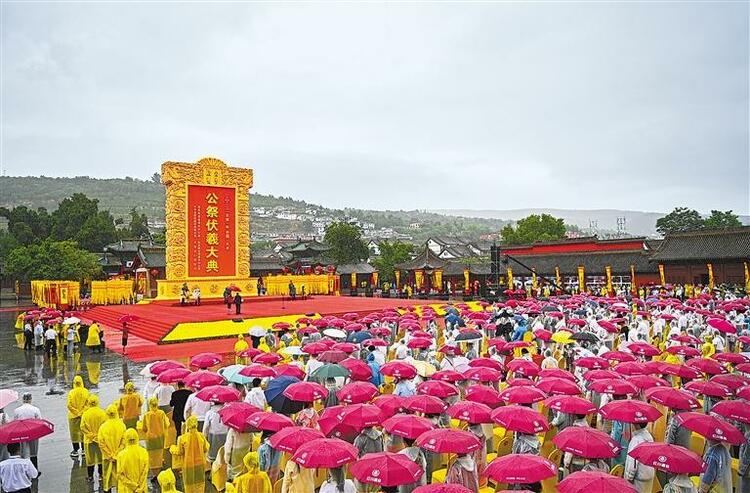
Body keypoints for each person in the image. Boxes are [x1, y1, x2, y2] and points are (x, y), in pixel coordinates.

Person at [175, 415, 209, 493]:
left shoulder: (182, 438)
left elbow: (180, 452)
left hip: (188, 465)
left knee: (189, 484)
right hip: (200, 463)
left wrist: (173, 449)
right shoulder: (201, 436)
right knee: (200, 483)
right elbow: (206, 449)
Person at [139, 397, 170, 481]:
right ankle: (159, 470)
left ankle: (154, 474)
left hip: (150, 438)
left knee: (152, 456)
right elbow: (166, 424)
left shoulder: (147, 415)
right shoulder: (161, 413)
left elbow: (144, 428)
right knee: (159, 453)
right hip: (160, 437)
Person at [98, 405, 126, 493]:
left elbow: (101, 443)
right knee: (120, 476)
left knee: (107, 476)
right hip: (119, 457)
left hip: (107, 457)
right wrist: (116, 454)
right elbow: (124, 442)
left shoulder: (103, 427)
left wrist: (110, 455)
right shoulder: (122, 425)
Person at [80, 394, 107, 483]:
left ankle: (90, 477)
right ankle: (101, 476)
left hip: (89, 441)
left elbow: (82, 427)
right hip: (100, 440)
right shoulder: (103, 413)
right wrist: (97, 436)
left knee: (90, 459)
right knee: (100, 458)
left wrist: (91, 436)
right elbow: (105, 426)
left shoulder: (85, 414)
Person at [624, 422, 655, 493]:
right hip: (649, 475)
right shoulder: (649, 436)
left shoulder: (636, 440)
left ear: (636, 425)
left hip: (638, 478)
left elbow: (633, 461)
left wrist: (629, 477)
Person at [115, 429, 149, 493]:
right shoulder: (144, 452)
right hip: (141, 489)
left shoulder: (121, 455)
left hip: (126, 489)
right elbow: (145, 472)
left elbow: (120, 474)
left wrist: (133, 486)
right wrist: (140, 487)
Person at [67, 375, 90, 457]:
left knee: (74, 433)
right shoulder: (86, 391)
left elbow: (69, 405)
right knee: (83, 432)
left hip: (73, 417)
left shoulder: (71, 392)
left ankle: (75, 450)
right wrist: (81, 412)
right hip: (83, 416)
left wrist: (76, 413)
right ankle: (84, 449)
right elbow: (88, 404)